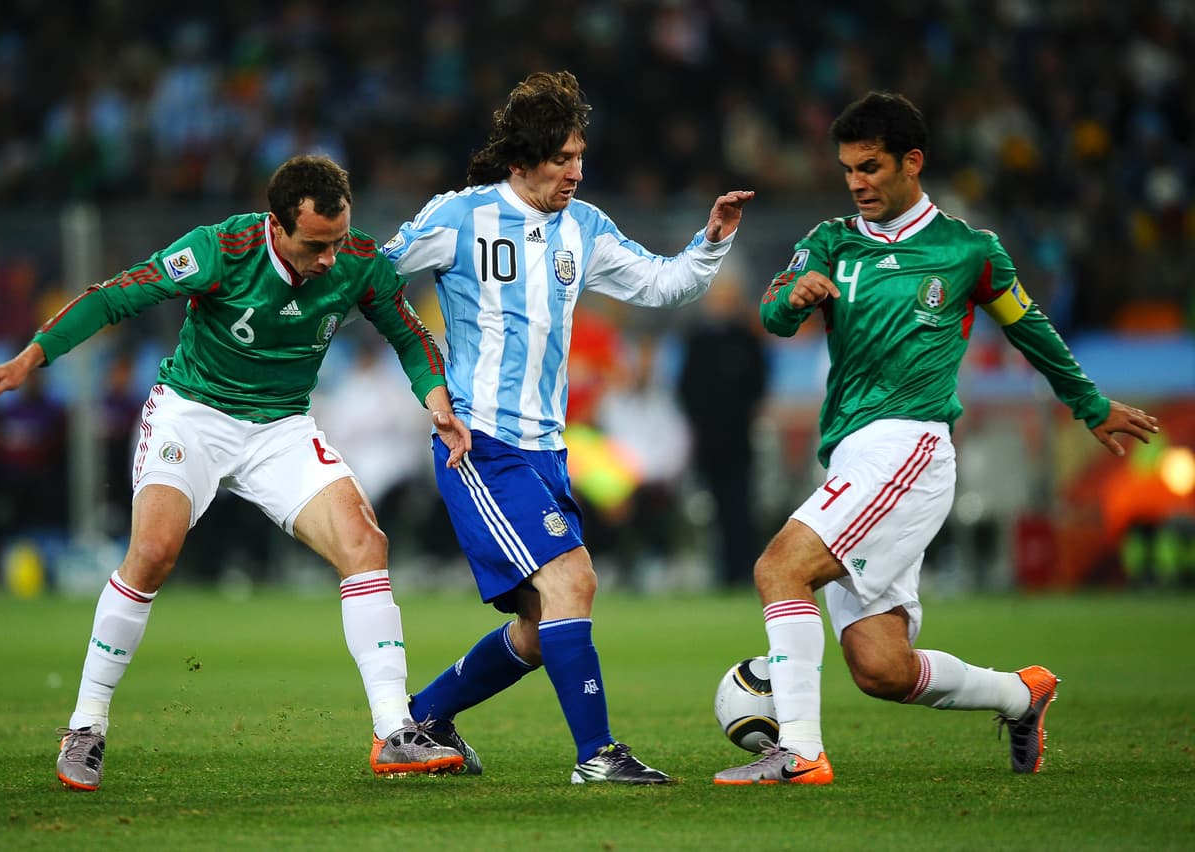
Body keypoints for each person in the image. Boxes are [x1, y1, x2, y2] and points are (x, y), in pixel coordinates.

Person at [0, 154, 471, 791]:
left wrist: (437, 402)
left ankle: (394, 731)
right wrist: (31, 358)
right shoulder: (220, 250)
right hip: (193, 416)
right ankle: (86, 725)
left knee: (365, 543)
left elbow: (409, 334)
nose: (330, 258)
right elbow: (115, 296)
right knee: (152, 553)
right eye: (316, 245)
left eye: (338, 240)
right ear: (276, 225)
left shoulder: (358, 259)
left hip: (281, 426)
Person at [713, 91, 1160, 786]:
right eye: (847, 169)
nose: (856, 182)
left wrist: (1088, 402)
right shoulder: (832, 240)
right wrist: (793, 297)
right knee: (881, 668)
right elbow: (771, 313)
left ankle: (799, 753)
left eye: (870, 167)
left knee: (779, 568)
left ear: (912, 162)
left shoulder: (968, 251)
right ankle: (1023, 694)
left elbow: (1029, 327)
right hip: (853, 455)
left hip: (909, 448)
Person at [380, 70, 754, 784]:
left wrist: (710, 242)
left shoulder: (584, 227)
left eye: (580, 156)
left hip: (548, 451)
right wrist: (426, 377)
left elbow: (661, 283)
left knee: (538, 626)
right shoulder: (459, 217)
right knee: (573, 581)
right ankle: (597, 755)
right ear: (522, 160)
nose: (576, 172)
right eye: (562, 159)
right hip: (481, 443)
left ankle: (420, 721)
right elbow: (373, 279)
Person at [677, 271, 769, 588]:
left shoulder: (747, 339)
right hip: (709, 438)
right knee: (713, 507)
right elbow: (686, 387)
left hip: (739, 437)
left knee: (741, 504)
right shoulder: (697, 340)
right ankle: (721, 571)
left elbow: (759, 384)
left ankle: (744, 569)